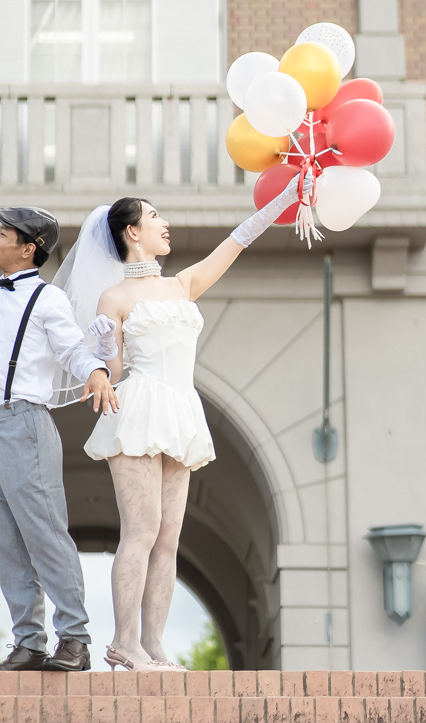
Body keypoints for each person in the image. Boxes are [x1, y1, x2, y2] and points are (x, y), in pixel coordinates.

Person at [56, 171, 308, 671]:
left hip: (180, 408)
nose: (164, 224)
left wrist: (287, 193)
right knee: (142, 528)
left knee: (169, 534)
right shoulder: (115, 299)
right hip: (139, 407)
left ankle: (153, 643)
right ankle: (123, 641)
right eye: (154, 217)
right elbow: (116, 371)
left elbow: (239, 239)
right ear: (132, 232)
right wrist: (105, 351)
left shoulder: (183, 283)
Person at [0, 156, 118, 673]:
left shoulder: (47, 300)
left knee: (44, 530)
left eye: (3, 233)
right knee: (5, 537)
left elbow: (74, 349)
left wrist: (95, 371)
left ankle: (74, 639)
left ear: (28, 247)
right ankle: (29, 641)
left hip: (26, 424)